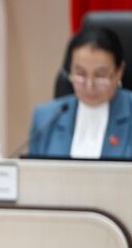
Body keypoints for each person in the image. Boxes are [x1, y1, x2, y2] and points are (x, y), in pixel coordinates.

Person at [27, 26, 132, 159]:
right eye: (80, 74)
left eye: (100, 75)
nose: (89, 86)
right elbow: (33, 170)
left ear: (119, 72)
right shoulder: (46, 118)